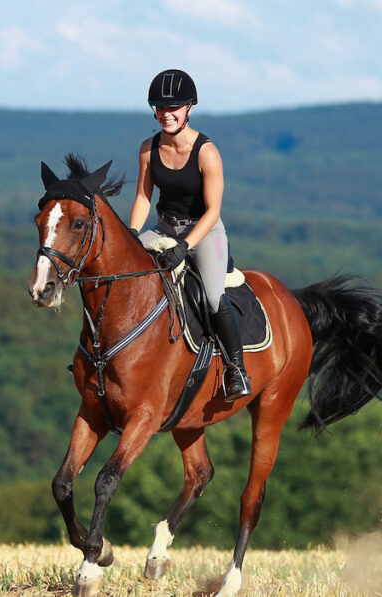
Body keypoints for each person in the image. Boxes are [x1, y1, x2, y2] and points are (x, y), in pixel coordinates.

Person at [128, 68, 250, 400]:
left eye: (174, 108)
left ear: (189, 109)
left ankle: (236, 369)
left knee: (212, 297)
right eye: (160, 108)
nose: (165, 114)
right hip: (162, 227)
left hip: (204, 231)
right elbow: (142, 197)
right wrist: (132, 235)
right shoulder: (147, 149)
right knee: (123, 273)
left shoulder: (207, 152)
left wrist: (184, 247)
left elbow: (212, 211)